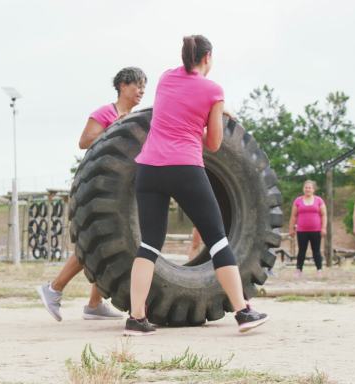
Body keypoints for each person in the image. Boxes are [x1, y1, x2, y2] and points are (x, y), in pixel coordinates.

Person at [124, 35, 268, 336]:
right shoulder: (213, 91)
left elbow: (170, 113)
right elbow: (214, 143)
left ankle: (136, 318)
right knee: (217, 239)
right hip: (185, 167)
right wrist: (215, 113)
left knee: (149, 243)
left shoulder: (165, 78)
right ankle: (243, 311)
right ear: (208, 57)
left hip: (149, 167)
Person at [37, 67, 147, 321]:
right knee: (94, 245)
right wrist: (115, 128)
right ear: (122, 85)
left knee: (109, 245)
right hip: (100, 189)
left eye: (143, 87)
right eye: (137, 85)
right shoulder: (105, 113)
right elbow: (85, 141)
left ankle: (95, 304)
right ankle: (53, 289)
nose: (141, 91)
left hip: (124, 192)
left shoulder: (135, 117)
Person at [288, 180, 326, 278]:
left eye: (309, 188)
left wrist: (323, 228)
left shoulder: (319, 200)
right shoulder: (298, 201)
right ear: (303, 189)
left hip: (316, 230)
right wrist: (291, 228)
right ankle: (298, 270)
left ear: (313, 189)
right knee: (301, 251)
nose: (307, 189)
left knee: (316, 251)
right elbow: (293, 216)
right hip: (302, 230)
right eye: (306, 187)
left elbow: (324, 215)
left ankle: (319, 270)